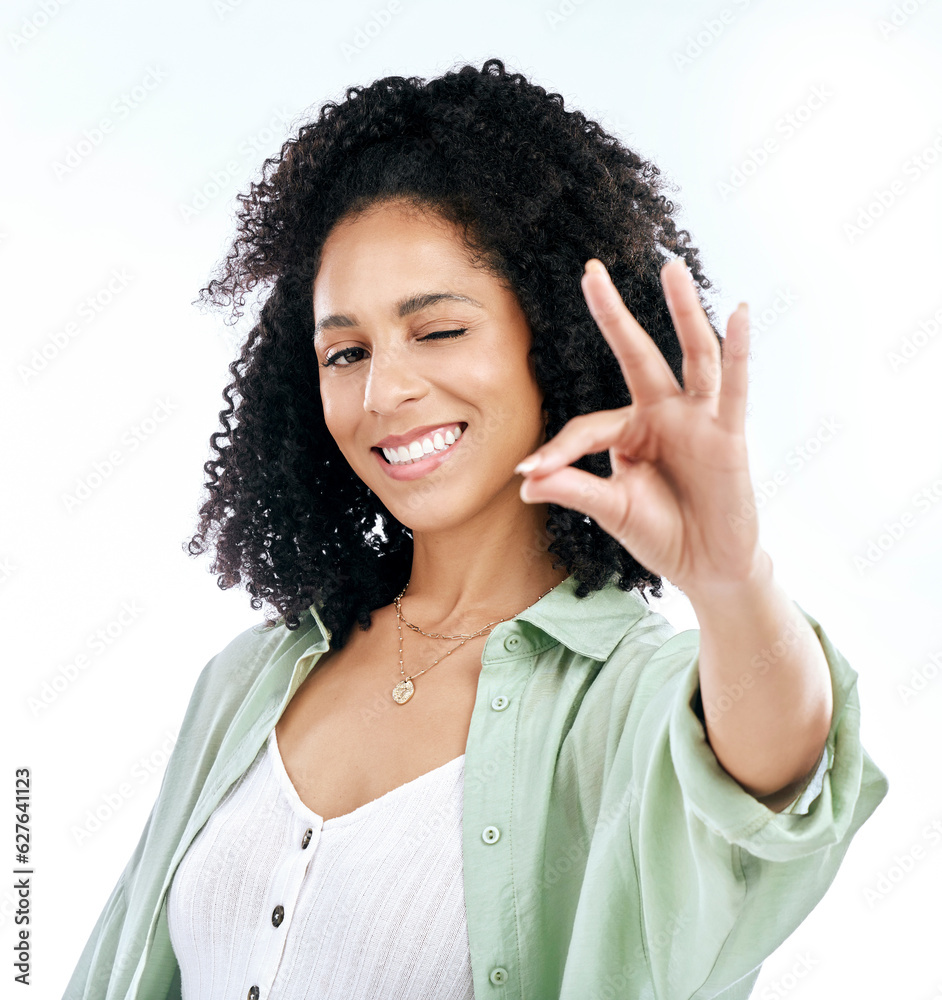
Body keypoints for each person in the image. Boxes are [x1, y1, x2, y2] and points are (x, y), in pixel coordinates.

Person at [63, 57, 888, 1000]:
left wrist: (733, 582)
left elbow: (780, 772)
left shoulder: (627, 699)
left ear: (551, 333)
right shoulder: (248, 682)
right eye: (346, 350)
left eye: (439, 329)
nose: (384, 392)